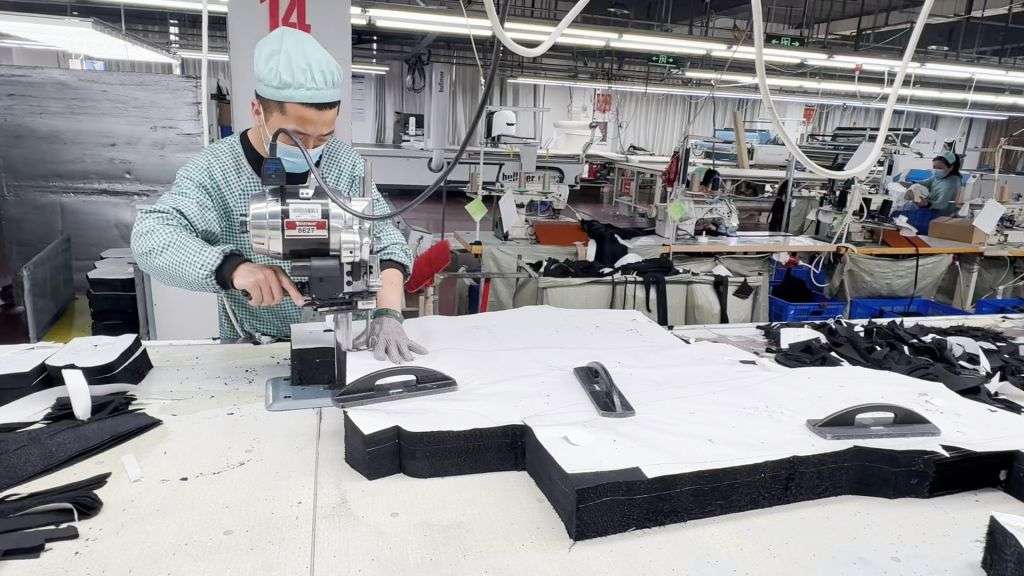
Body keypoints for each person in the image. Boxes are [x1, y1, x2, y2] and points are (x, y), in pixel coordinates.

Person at [132, 27, 423, 364]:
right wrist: (233, 268)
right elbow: (152, 236)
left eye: (323, 136)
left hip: (347, 341)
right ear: (258, 110)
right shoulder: (215, 170)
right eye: (296, 137)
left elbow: (387, 242)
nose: (311, 149)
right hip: (258, 348)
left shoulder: (346, 164)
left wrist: (387, 313)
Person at [891, 151, 963, 233]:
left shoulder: (952, 183)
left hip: (938, 216)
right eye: (934, 167)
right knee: (895, 214)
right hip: (928, 209)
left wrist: (927, 203)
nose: (936, 170)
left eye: (940, 168)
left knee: (900, 219)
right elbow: (926, 182)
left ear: (951, 167)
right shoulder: (939, 177)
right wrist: (908, 184)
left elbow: (942, 204)